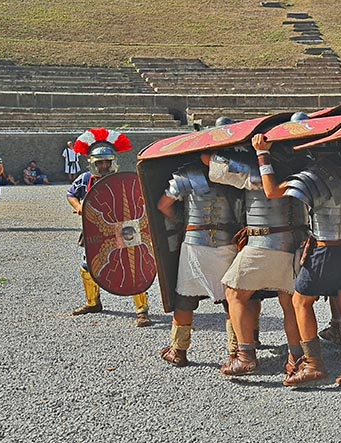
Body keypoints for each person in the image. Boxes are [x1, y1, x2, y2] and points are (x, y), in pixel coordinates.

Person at [252, 133, 341, 390]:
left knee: (301, 302)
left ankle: (313, 364)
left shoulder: (313, 175)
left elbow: (272, 191)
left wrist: (262, 155)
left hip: (325, 250)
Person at [210, 145, 307, 378]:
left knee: (234, 292)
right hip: (296, 241)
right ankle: (296, 357)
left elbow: (214, 165)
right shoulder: (301, 165)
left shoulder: (253, 168)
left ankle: (245, 357)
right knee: (289, 302)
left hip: (264, 243)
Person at [155, 144, 244, 367]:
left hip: (195, 244)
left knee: (185, 300)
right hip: (227, 244)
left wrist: (181, 220)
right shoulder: (235, 172)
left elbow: (163, 205)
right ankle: (236, 353)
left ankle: (178, 351)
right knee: (231, 301)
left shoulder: (189, 174)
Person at [68, 128, 152, 327]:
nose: (104, 166)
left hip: (126, 230)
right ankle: (93, 303)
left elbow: (139, 200)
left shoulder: (122, 182)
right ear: (93, 163)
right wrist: (79, 207)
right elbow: (71, 194)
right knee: (87, 267)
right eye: (100, 163)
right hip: (97, 232)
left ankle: (142, 311)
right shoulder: (85, 180)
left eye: (107, 162)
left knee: (134, 268)